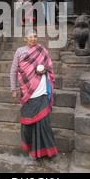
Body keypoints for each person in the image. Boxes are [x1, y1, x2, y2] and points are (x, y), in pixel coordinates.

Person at [10, 28, 58, 159]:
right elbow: (13, 71)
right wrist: (13, 89)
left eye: (35, 36)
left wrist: (44, 71)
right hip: (27, 93)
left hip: (41, 91)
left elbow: (49, 68)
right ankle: (32, 150)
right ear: (25, 38)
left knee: (44, 123)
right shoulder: (20, 52)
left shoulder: (42, 51)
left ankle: (45, 151)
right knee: (27, 124)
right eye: (30, 36)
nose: (33, 38)